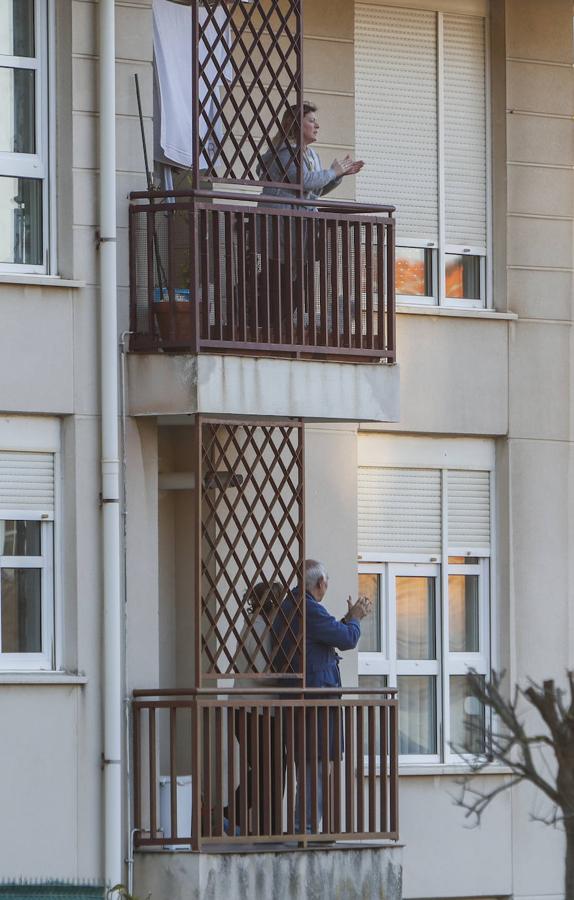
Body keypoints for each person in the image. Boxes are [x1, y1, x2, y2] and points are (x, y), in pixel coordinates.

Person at [275, 559, 372, 834]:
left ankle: (303, 828)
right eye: (327, 583)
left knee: (310, 769)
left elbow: (324, 636)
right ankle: (303, 830)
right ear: (320, 583)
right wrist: (354, 618)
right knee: (315, 769)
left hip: (300, 702)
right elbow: (346, 639)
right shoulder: (309, 608)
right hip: (314, 704)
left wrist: (345, 621)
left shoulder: (290, 606)